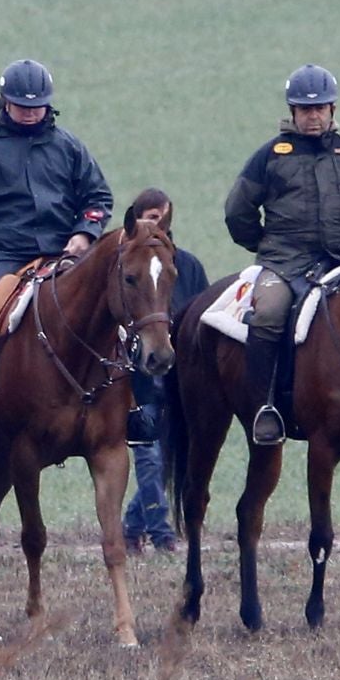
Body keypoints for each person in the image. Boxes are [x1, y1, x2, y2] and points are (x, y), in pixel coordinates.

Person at [0, 59, 115, 449]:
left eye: (38, 106)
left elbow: (98, 196)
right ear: (5, 103)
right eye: (22, 105)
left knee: (121, 309)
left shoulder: (68, 146)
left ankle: (136, 411)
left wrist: (84, 233)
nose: (31, 112)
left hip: (65, 253)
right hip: (5, 255)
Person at [224, 64, 340, 446]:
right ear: (293, 111)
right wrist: (265, 246)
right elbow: (238, 211)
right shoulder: (269, 156)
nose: (312, 116)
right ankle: (264, 408)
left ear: (333, 110)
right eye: (304, 109)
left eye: (319, 109)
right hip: (284, 266)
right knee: (267, 314)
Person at [120, 190, 207, 556]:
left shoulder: (187, 267)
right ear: (136, 221)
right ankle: (161, 535)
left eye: (163, 219)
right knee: (150, 457)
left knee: (173, 457)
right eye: (151, 217)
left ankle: (131, 526)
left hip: (180, 379)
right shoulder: (126, 270)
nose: (158, 225)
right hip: (140, 380)